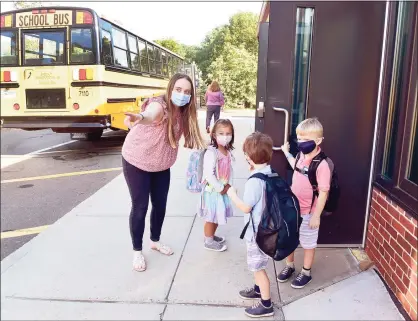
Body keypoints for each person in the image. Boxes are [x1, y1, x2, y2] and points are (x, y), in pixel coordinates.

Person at [122, 73, 204, 272]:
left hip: (161, 164)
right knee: (140, 207)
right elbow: (150, 114)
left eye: (186, 92)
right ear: (170, 89)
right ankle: (137, 251)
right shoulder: (161, 105)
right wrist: (140, 117)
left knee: (160, 205)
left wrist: (220, 142)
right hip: (137, 161)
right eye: (178, 90)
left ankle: (155, 241)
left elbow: (195, 139)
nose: (182, 95)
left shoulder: (184, 113)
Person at [227, 132, 275, 318]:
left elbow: (246, 207)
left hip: (257, 234)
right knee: (259, 264)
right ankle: (257, 290)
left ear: (248, 157)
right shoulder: (269, 172)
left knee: (258, 269)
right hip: (267, 229)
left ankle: (266, 304)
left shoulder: (255, 181)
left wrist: (232, 195)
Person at [278, 117, 330, 288]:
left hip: (309, 213)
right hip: (293, 208)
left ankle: (306, 272)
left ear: (318, 140)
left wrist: (317, 216)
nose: (301, 142)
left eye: (306, 139)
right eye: (299, 138)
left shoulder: (321, 165)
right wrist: (286, 153)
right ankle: (290, 266)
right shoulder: (300, 155)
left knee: (308, 243)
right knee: (290, 238)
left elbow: (323, 192)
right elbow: (295, 167)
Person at [198, 119, 235, 252]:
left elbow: (228, 170)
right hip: (213, 191)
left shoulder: (226, 151)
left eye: (228, 133)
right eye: (221, 133)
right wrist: (220, 188)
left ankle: (211, 236)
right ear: (214, 135)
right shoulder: (211, 153)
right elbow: (209, 174)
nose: (225, 136)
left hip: (223, 189)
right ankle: (208, 240)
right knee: (211, 217)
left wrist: (228, 185)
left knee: (218, 215)